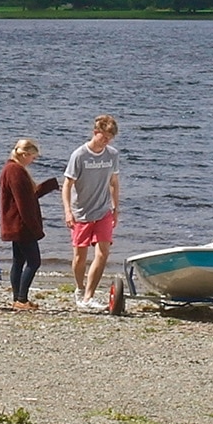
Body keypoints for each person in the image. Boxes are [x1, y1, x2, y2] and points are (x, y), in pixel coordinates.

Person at [61, 113, 123, 309]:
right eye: (104, 137)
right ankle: (79, 288)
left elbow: (114, 182)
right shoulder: (79, 155)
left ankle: (89, 296)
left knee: (103, 252)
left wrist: (115, 208)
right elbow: (67, 185)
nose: (106, 141)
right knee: (80, 256)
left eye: (110, 138)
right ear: (95, 132)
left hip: (103, 210)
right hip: (81, 213)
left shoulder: (112, 154)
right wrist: (68, 211)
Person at [0, 139, 59, 309]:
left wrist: (51, 185)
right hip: (21, 224)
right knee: (33, 262)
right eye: (32, 157)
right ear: (24, 154)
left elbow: (29, 196)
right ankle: (21, 299)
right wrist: (35, 228)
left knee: (19, 261)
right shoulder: (15, 171)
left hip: (15, 223)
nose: (33, 160)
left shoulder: (12, 169)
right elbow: (24, 203)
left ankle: (18, 299)